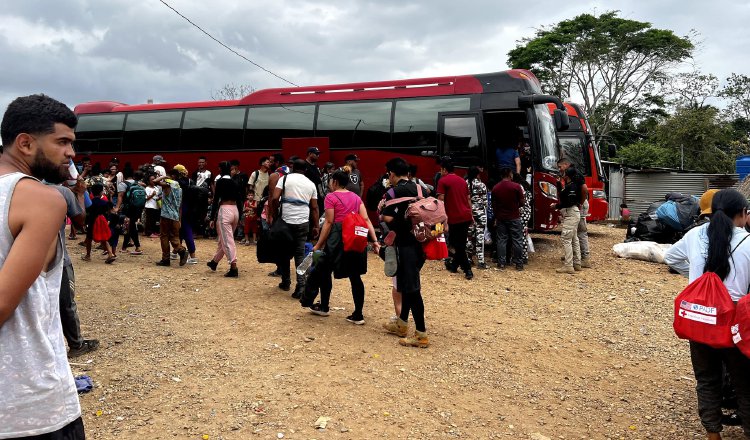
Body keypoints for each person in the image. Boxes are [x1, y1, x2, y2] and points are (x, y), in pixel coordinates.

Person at [0, 93, 85, 438]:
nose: (71, 153)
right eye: (62, 141)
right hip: (31, 404)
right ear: (25, 143)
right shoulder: (42, 199)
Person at [664, 189, 750, 440]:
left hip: (700, 318)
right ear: (743, 213)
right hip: (734, 322)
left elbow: (671, 257)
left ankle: (713, 434)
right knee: (745, 383)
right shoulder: (747, 242)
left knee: (707, 379)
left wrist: (697, 283)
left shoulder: (694, 235)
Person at [301, 167, 379, 324]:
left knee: (325, 271)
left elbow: (329, 222)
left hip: (337, 238)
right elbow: (366, 219)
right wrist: (375, 240)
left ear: (334, 182)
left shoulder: (331, 197)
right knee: (355, 277)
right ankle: (358, 314)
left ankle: (324, 306)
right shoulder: (356, 198)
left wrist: (318, 245)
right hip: (355, 238)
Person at [381, 158, 429, 348]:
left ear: (392, 173)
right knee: (407, 285)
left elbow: (388, 218)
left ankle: (421, 335)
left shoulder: (393, 192)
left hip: (405, 246)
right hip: (421, 244)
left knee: (413, 289)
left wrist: (385, 216)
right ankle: (401, 324)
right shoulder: (420, 189)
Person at [50, 181, 100, 357]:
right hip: (57, 260)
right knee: (66, 304)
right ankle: (76, 344)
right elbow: (80, 222)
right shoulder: (62, 191)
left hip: (25, 262)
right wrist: (79, 194)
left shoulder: (19, 186)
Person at [268, 159, 319, 297]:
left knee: (284, 252)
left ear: (292, 168)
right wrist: (316, 226)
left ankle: (285, 282)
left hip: (285, 221)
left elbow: (274, 198)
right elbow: (314, 207)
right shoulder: (310, 184)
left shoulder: (284, 179)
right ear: (306, 170)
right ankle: (301, 286)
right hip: (303, 221)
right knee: (299, 254)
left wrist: (274, 215)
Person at [437, 157, 474, 280]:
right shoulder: (463, 181)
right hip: (465, 215)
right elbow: (468, 199)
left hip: (453, 217)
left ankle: (467, 269)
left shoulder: (443, 181)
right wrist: (472, 215)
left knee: (456, 245)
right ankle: (454, 266)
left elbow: (441, 200)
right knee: (460, 244)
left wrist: (441, 218)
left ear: (444, 169)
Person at [207, 161, 241, 277]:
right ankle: (214, 262)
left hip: (225, 210)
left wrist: (212, 217)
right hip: (235, 210)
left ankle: (233, 267)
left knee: (227, 240)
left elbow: (216, 199)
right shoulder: (235, 182)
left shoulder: (220, 181)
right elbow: (240, 199)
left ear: (221, 170)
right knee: (225, 239)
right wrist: (240, 216)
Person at [557, 158, 591, 268]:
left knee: (580, 231)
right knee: (573, 233)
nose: (559, 169)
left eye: (560, 166)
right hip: (575, 204)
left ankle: (584, 257)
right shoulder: (571, 175)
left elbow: (585, 189)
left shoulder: (575, 174)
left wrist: (579, 203)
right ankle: (575, 257)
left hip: (577, 205)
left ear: (566, 165)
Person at [491, 167, 525, 270]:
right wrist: (515, 206)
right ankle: (519, 264)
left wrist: (497, 216)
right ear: (510, 174)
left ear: (501, 175)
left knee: (501, 240)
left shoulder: (496, 188)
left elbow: (493, 205)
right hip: (514, 216)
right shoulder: (516, 186)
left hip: (501, 217)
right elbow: (522, 202)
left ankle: (501, 263)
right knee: (517, 240)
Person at [155, 166, 188, 267]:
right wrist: (179, 219)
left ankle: (167, 258)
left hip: (166, 215)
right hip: (175, 216)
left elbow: (155, 181)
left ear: (172, 176)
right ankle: (181, 250)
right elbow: (180, 205)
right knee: (174, 237)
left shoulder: (168, 185)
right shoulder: (179, 188)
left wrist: (164, 176)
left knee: (164, 236)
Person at [553, 167, 582, 273]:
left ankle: (568, 265)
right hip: (574, 213)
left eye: (564, 173)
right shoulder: (573, 186)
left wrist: (556, 206)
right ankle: (577, 263)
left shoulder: (571, 187)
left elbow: (568, 202)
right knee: (574, 239)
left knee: (566, 239)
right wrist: (558, 184)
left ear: (567, 176)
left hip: (571, 213)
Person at [81, 184, 117, 264]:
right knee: (104, 238)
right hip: (102, 221)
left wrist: (84, 223)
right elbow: (111, 211)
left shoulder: (90, 203)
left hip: (92, 221)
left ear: (92, 193)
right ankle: (110, 254)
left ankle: (88, 255)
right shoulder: (104, 202)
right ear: (101, 192)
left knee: (89, 238)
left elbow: (87, 213)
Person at [119, 169, 146, 255]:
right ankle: (127, 247)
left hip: (129, 209)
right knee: (130, 226)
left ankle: (136, 247)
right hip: (137, 208)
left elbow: (122, 196)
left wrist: (117, 207)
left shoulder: (124, 184)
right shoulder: (140, 184)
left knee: (129, 227)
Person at [465, 166, 487, 269]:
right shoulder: (481, 185)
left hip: (469, 213)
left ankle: (468, 259)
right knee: (480, 237)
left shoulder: (465, 183)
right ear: (477, 174)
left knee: (469, 237)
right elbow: (485, 202)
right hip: (480, 213)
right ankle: (481, 261)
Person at [143, 173, 161, 237]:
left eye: (154, 179)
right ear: (148, 181)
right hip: (149, 206)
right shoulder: (147, 188)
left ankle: (153, 231)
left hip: (155, 206)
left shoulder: (156, 188)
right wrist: (152, 195)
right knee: (149, 220)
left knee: (154, 220)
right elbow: (146, 198)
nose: (153, 181)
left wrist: (160, 197)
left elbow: (157, 197)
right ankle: (148, 232)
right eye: (152, 180)